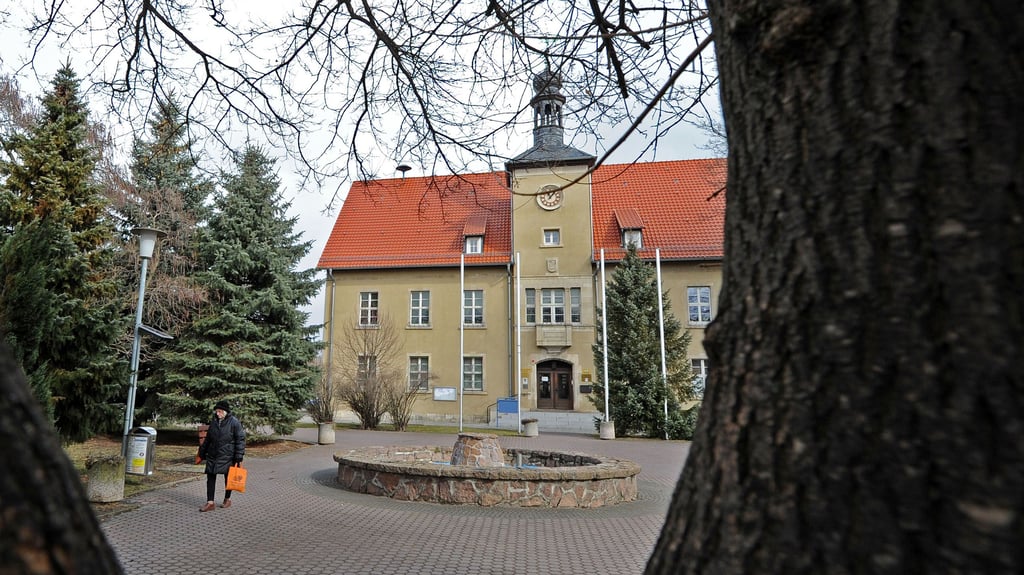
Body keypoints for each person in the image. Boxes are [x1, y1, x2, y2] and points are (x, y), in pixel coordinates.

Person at [196, 400, 245, 512]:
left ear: (226, 412)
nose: (217, 413)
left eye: (220, 411)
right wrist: (202, 453)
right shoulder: (214, 422)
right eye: (217, 411)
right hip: (213, 454)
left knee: (228, 478)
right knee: (210, 477)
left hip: (227, 456)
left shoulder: (234, 423)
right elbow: (208, 439)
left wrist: (239, 456)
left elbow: (240, 440)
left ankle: (227, 499)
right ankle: (210, 503)